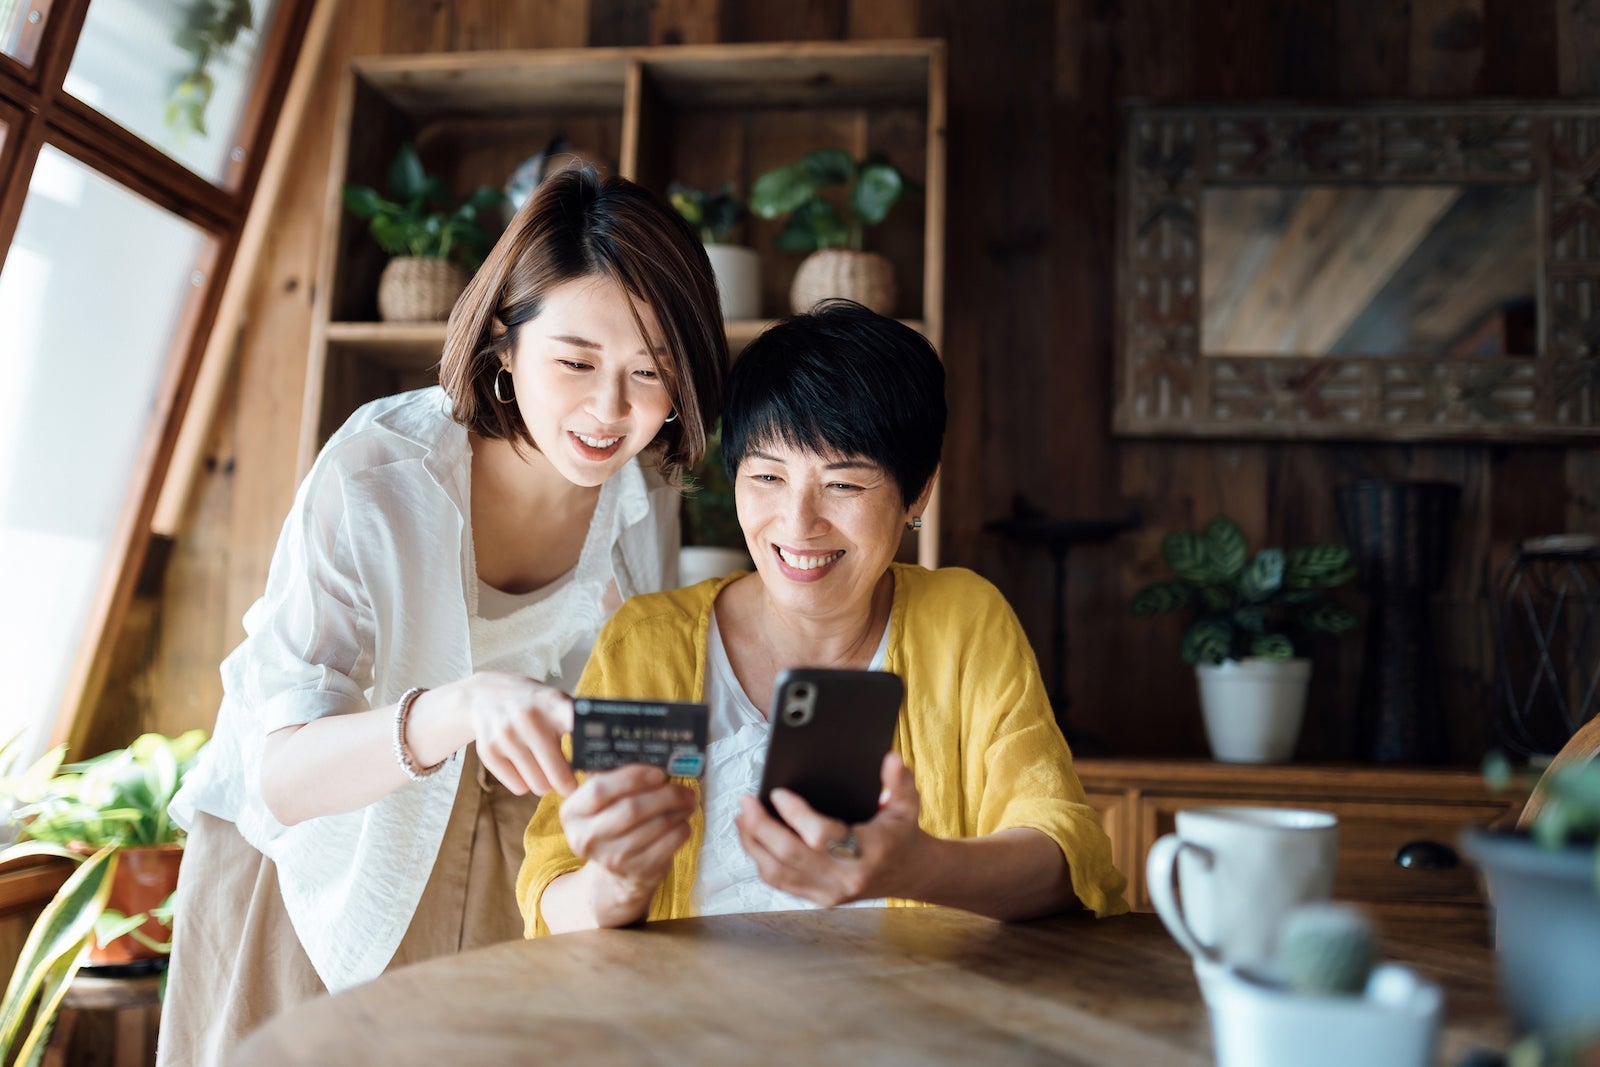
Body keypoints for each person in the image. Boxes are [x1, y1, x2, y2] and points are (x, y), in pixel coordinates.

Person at [158, 167, 727, 1064]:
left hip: (497, 850)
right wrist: (461, 705)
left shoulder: (642, 486)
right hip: (311, 862)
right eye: (575, 362)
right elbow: (281, 775)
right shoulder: (379, 472)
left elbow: (631, 692)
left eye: (651, 375)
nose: (611, 411)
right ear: (504, 342)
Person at [518, 301, 1126, 935]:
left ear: (917, 492)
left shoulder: (961, 622)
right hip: (690, 1024)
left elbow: (1067, 856)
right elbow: (550, 887)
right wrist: (614, 885)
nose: (798, 524)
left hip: (907, 1023)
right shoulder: (646, 643)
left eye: (844, 485)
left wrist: (917, 868)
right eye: (767, 477)